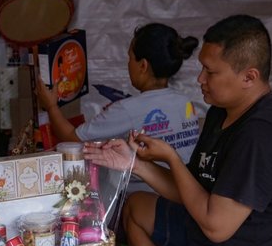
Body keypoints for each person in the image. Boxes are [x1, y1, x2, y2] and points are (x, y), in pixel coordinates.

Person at [83, 14, 272, 246]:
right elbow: (193, 191)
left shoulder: (260, 135)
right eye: (201, 68)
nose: (200, 79)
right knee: (138, 208)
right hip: (207, 242)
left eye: (211, 72)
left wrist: (171, 158)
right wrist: (136, 166)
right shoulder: (221, 111)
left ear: (249, 76)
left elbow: (217, 225)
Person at [36, 23, 200, 168]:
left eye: (130, 58)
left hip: (144, 194)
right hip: (180, 193)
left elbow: (72, 140)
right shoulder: (186, 102)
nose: (128, 64)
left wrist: (51, 106)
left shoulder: (128, 109)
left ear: (143, 65)